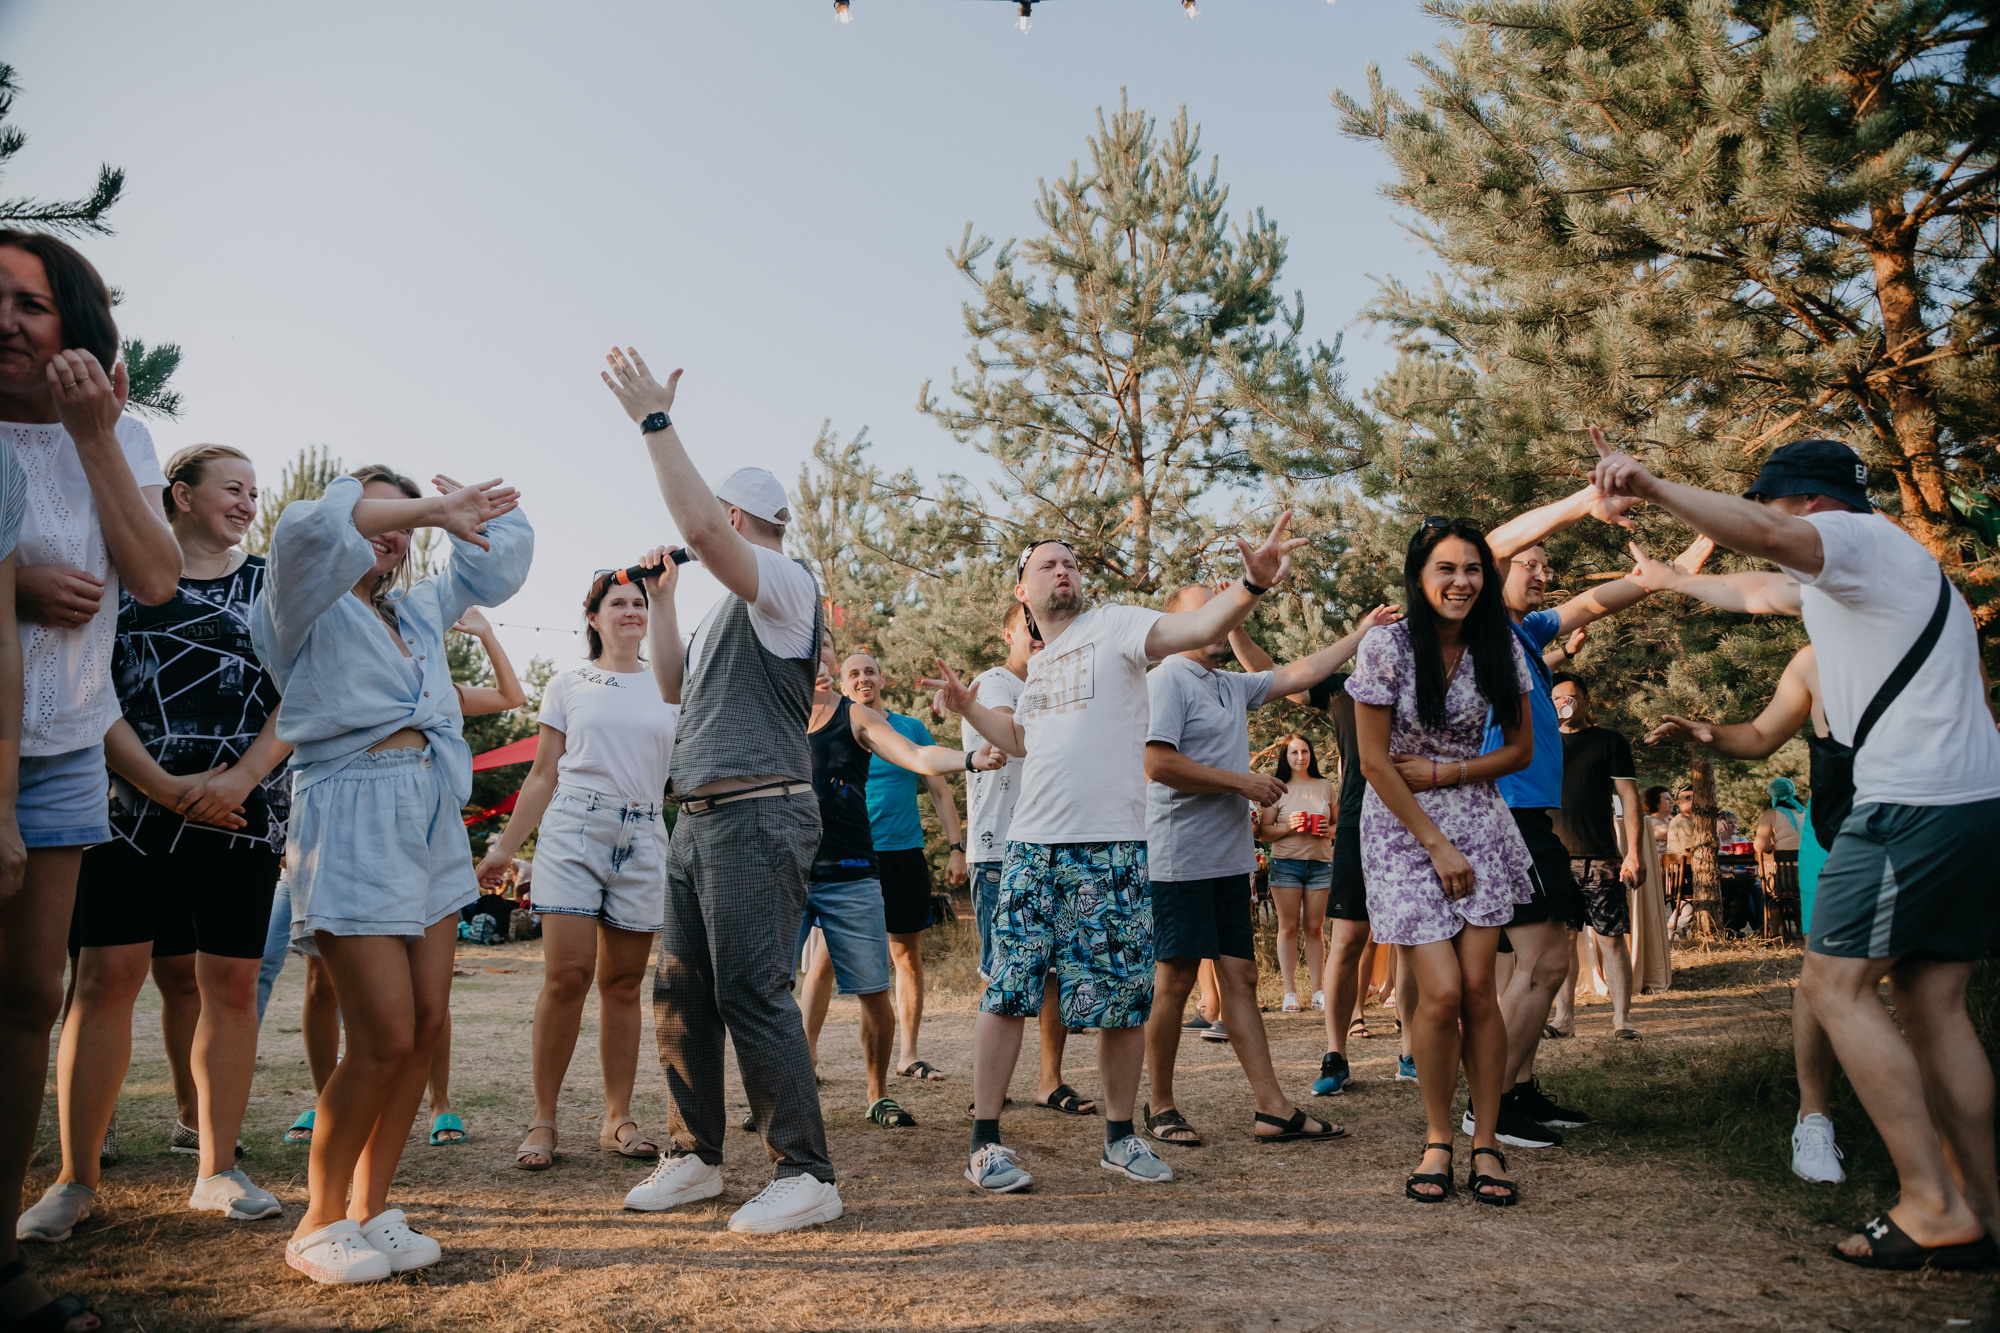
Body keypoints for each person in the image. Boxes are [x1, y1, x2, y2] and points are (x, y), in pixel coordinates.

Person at [1593, 430, 2000, 1269]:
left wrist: (1653, 485)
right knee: (1933, 1002)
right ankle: (1984, 1206)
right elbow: (1760, 589)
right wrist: (1673, 579)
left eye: (1771, 502)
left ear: (1810, 502)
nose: (1766, 519)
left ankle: (1931, 1202)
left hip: (1908, 805)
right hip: (1968, 804)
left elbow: (1771, 540)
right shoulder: (1882, 571)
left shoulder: (1851, 536)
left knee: (1831, 983)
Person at [924, 517, 1306, 1193]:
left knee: (1124, 1000)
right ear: (1023, 591)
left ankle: (1121, 1138)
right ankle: (985, 1144)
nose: (1063, 570)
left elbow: (1197, 626)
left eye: (1070, 562)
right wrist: (967, 708)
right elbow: (1020, 738)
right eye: (1047, 564)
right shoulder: (1039, 665)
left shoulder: (1116, 626)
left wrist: (1250, 586)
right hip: (1031, 850)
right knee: (1007, 993)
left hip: (1114, 850)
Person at [254, 464, 530, 1285]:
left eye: (408, 524)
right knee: (378, 1032)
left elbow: (499, 566)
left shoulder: (413, 609)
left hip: (429, 814)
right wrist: (430, 507)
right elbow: (309, 527)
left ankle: (372, 1207)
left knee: (425, 1024)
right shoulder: (302, 599)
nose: (398, 531)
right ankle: (318, 1219)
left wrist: (471, 512)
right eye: (385, 512)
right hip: (351, 811)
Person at [21, 446, 291, 1247]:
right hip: (127, 809)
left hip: (244, 813)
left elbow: (304, 691)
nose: (248, 503)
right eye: (232, 488)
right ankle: (74, 1179)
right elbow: (89, 685)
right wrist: (161, 785)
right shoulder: (122, 577)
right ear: (180, 494)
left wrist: (240, 778)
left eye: (255, 492)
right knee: (104, 977)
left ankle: (216, 1169)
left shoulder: (273, 585)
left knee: (230, 986)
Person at [601, 349, 841, 1236]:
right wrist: (664, 601)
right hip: (699, 820)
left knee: (750, 989)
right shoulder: (722, 611)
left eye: (719, 520)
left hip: (757, 814)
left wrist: (654, 422)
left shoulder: (786, 584)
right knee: (681, 992)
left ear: (737, 518)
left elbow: (702, 531)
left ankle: (806, 1171)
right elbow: (673, 686)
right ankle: (697, 1156)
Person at [0, 230, 179, 1333]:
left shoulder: (120, 432)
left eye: (28, 302)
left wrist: (95, 435)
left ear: (74, 320)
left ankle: (1, 1262)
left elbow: (154, 577)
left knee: (30, 998)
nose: (6, 320)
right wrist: (14, 584)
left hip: (66, 740)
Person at [1476, 483, 1710, 1148]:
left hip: (1531, 816)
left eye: (1546, 566)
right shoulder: (1483, 626)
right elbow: (1490, 545)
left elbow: (1594, 602)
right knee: (1547, 958)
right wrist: (1583, 502)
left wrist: (1672, 571)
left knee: (1550, 959)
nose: (1543, 574)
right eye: (1531, 563)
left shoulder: (1527, 632)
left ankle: (1518, 1089)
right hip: (1506, 814)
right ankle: (1491, 1104)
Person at [262, 607, 527, 1150]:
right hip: (332, 842)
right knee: (321, 983)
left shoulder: (428, 693)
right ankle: (329, 1099)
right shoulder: (330, 675)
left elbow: (511, 696)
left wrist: (485, 634)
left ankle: (440, 1103)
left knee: (427, 992)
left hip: (414, 842)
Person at [1347, 517, 1537, 1205]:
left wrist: (1449, 772)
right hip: (1402, 828)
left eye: (1473, 569)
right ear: (1419, 577)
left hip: (1476, 817)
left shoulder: (1500, 644)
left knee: (1480, 988)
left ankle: (1486, 1142)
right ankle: (1437, 1138)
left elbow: (1519, 750)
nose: (1462, 582)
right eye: (1447, 569)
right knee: (1443, 991)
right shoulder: (1385, 646)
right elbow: (1374, 761)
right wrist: (1434, 840)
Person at [1138, 583, 1367, 1151]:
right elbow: (1157, 763)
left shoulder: (1229, 684)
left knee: (1240, 976)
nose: (1220, 619)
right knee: (1176, 978)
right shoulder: (1167, 679)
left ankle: (1273, 1109)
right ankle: (1159, 1104)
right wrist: (1240, 783)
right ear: (1175, 626)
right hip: (1181, 858)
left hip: (1228, 859)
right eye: (1204, 612)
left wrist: (1360, 635)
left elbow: (1301, 672)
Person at [475, 554, 682, 1173]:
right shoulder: (569, 683)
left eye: (639, 603)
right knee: (567, 976)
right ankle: (543, 1119)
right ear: (593, 617)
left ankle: (618, 1118)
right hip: (574, 830)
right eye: (618, 603)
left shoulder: (672, 682)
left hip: (645, 834)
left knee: (623, 984)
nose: (631, 611)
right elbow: (543, 774)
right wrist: (504, 850)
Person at [1644, 644, 1844, 1185]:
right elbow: (1759, 735)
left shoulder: (1945, 623)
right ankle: (1815, 1118)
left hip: (1935, 822)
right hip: (1841, 834)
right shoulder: (1815, 657)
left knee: (1931, 993)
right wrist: (1706, 732)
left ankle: (1948, 1168)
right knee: (1825, 979)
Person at [790, 629, 1002, 1133]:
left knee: (873, 986)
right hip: (787, 870)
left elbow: (918, 757)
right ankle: (785, 1088)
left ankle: (878, 1092)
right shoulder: (776, 714)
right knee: (778, 987)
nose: (818, 657)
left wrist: (969, 758)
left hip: (852, 871)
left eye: (826, 648)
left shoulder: (858, 717)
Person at [1230, 604, 1402, 1095]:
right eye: (1375, 631)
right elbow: (1270, 673)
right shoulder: (1342, 687)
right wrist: (1236, 627)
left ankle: (1410, 1052)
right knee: (1346, 940)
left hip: (1416, 820)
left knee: (1410, 945)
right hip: (1359, 821)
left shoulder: (1421, 687)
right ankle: (1335, 1055)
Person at [959, 604, 1094, 1115]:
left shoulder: (1060, 681)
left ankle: (1049, 1081)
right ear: (1008, 634)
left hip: (1055, 842)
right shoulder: (994, 682)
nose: (1039, 636)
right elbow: (1010, 729)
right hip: (1000, 847)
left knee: (1055, 969)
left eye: (1044, 629)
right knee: (1003, 972)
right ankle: (988, 1092)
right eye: (1028, 628)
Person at [838, 651, 965, 1081]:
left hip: (902, 854)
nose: (863, 679)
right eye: (854, 674)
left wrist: (957, 848)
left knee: (906, 956)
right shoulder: (835, 727)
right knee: (824, 963)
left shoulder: (910, 729)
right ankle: (807, 1058)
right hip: (849, 855)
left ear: (882, 680)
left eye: (869, 672)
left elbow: (940, 793)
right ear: (843, 685)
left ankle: (908, 1054)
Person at [1548, 672, 1643, 1039]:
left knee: (1611, 938)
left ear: (1587, 700)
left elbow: (1630, 798)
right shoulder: (1541, 743)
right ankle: (1564, 1020)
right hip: (1554, 858)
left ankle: (1622, 1021)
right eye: (1557, 698)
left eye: (1571, 696)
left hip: (1600, 857)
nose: (1564, 703)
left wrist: (1633, 853)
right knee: (1563, 940)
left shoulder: (1610, 741)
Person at [1256, 735, 1332, 1014]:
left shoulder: (1325, 786)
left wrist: (1327, 830)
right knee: (1288, 928)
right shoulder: (1278, 788)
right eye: (1294, 752)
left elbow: (1340, 824)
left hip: (1320, 864)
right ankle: (1290, 993)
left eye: (1305, 751)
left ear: (1311, 754)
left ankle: (1318, 992)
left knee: (1314, 929)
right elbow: (1263, 832)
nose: (1300, 757)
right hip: (1286, 864)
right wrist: (1288, 827)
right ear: (1285, 757)